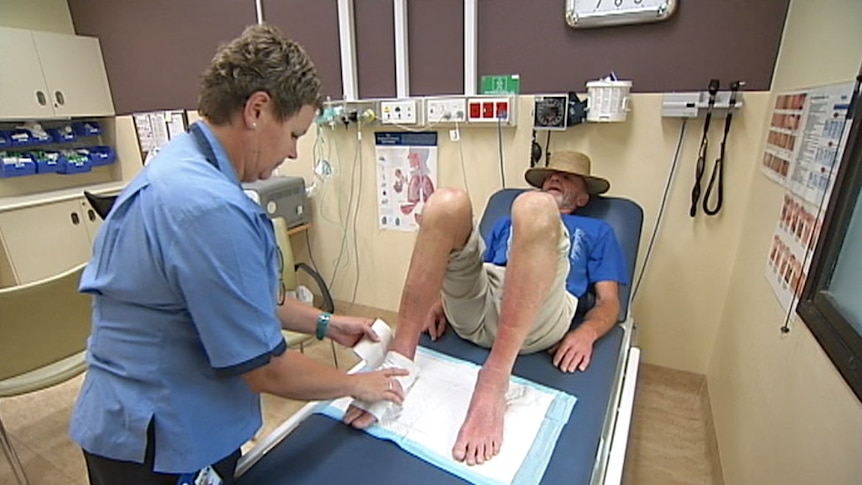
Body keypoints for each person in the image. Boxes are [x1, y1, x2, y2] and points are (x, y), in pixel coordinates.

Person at [69, 24, 407, 485]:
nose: (292, 152)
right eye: (293, 134)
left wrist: (326, 324)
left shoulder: (179, 165)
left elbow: (238, 302)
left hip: (137, 419)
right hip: (156, 440)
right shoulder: (210, 208)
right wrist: (355, 383)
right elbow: (266, 370)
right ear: (257, 110)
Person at [343, 150, 628, 466]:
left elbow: (609, 303)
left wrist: (587, 332)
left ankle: (493, 381)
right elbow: (477, 270)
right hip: (485, 301)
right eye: (550, 175)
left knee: (534, 205)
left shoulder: (599, 232)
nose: (554, 178)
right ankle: (400, 361)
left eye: (567, 177)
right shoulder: (507, 222)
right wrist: (441, 301)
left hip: (539, 314)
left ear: (584, 198)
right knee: (446, 202)